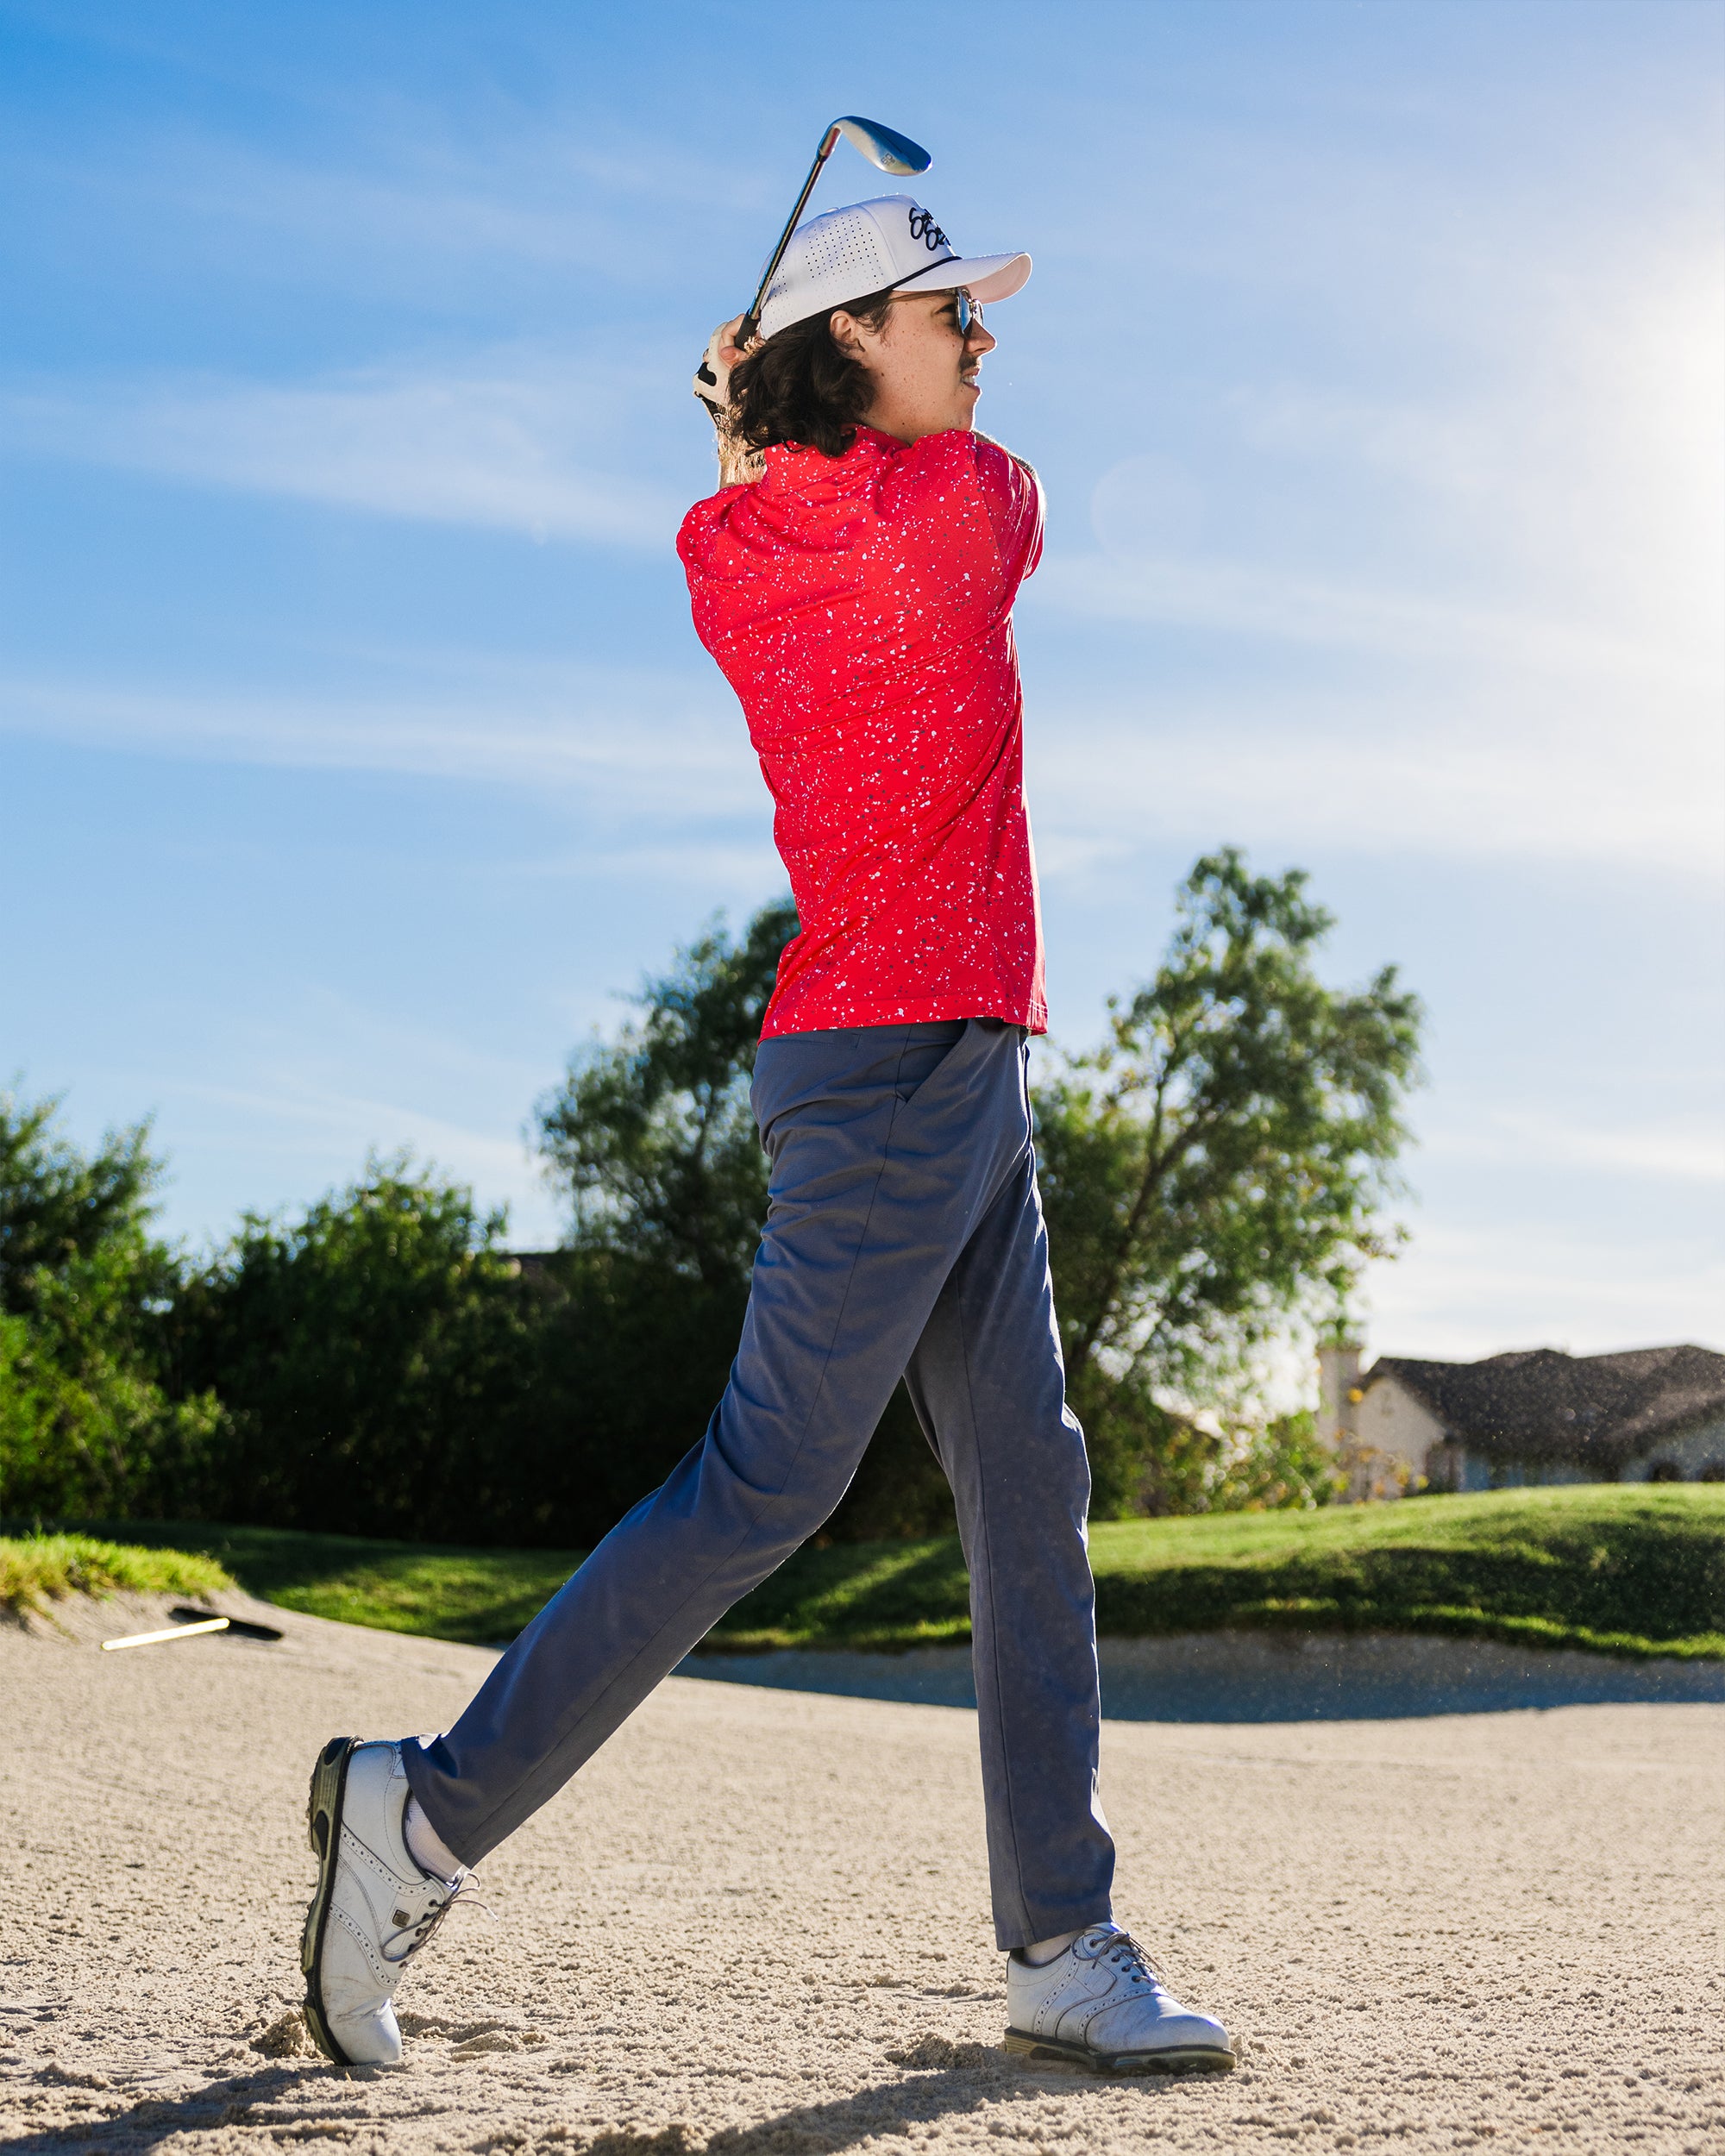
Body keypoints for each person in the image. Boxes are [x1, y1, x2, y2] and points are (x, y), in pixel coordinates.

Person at [298, 191, 1234, 2080]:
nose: (982, 340)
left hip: (928, 1061)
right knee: (760, 1487)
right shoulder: (963, 508)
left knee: (1029, 1481)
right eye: (945, 313)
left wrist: (749, 417)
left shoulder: (728, 537)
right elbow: (1016, 496)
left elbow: (772, 483)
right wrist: (770, 400)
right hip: (904, 1073)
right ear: (853, 344)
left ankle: (1059, 1932)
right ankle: (423, 1810)